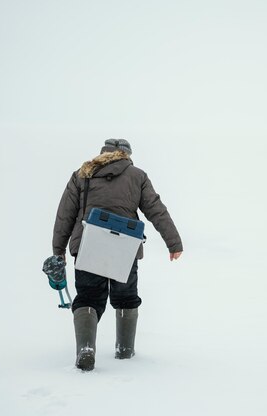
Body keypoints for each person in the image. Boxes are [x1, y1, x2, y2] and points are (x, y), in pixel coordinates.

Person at [52, 139, 183, 371]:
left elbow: (65, 214)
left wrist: (58, 250)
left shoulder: (83, 173)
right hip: (125, 246)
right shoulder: (137, 176)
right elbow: (156, 209)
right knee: (126, 297)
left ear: (103, 153)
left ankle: (85, 349)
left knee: (88, 298)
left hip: (88, 244)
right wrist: (173, 243)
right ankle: (125, 351)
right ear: (127, 156)